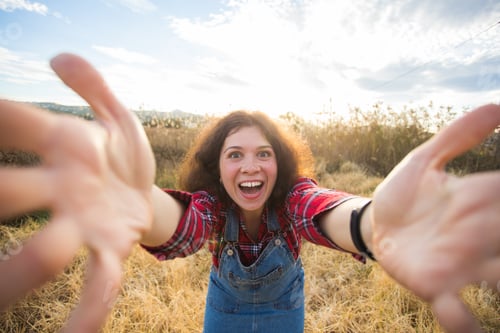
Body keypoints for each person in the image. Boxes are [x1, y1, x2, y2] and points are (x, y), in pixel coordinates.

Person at [0, 53, 498, 333]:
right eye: (234, 154)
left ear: (278, 163)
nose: (250, 165)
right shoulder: (213, 207)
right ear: (217, 169)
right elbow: (182, 228)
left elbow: (330, 213)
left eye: (263, 152)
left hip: (286, 311)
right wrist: (139, 201)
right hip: (224, 311)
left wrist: (373, 226)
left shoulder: (295, 199)